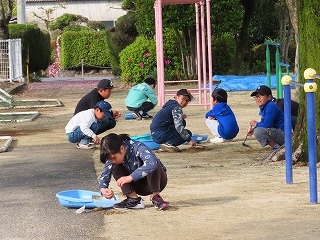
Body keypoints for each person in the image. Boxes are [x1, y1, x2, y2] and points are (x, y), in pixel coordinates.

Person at [98, 133, 169, 210]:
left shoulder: (138, 147)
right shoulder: (113, 158)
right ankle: (133, 199)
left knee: (153, 163)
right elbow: (105, 174)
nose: (113, 160)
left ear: (122, 148)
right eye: (110, 159)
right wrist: (103, 188)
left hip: (158, 182)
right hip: (139, 186)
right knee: (114, 166)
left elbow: (151, 164)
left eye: (114, 158)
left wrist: (130, 177)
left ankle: (156, 197)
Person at [248, 85, 284, 150]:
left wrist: (255, 124)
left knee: (258, 131)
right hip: (279, 133)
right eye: (256, 97)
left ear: (269, 97)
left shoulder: (271, 106)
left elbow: (267, 125)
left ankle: (278, 149)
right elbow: (264, 122)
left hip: (284, 134)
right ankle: (278, 149)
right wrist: (255, 128)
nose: (258, 98)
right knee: (257, 130)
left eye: (260, 96)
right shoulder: (265, 106)